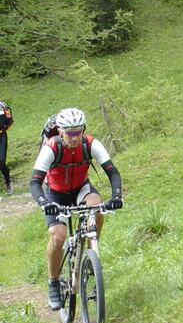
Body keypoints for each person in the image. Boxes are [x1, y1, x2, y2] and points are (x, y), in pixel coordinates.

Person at [29, 107, 124, 310]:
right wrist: (44, 203)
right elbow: (35, 182)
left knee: (96, 207)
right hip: (55, 193)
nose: (74, 137)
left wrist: (116, 196)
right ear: (60, 131)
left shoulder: (90, 144)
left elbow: (113, 172)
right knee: (58, 236)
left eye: (78, 132)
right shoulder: (51, 147)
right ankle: (54, 282)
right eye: (70, 133)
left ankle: (91, 257)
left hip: (81, 188)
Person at [0, 100, 13, 193]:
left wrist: (5, 127)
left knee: (1, 162)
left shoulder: (2, 105)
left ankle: (8, 181)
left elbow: (9, 119)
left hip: (1, 136)